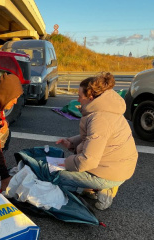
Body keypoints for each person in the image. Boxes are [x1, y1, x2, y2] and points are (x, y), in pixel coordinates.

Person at [55, 72, 138, 210]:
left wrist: (65, 163)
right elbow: (96, 138)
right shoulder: (107, 109)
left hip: (112, 172)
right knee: (75, 166)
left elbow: (88, 160)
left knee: (59, 176)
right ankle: (95, 187)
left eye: (80, 96)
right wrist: (72, 142)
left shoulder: (99, 119)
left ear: (90, 97)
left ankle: (105, 188)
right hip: (118, 165)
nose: (78, 99)